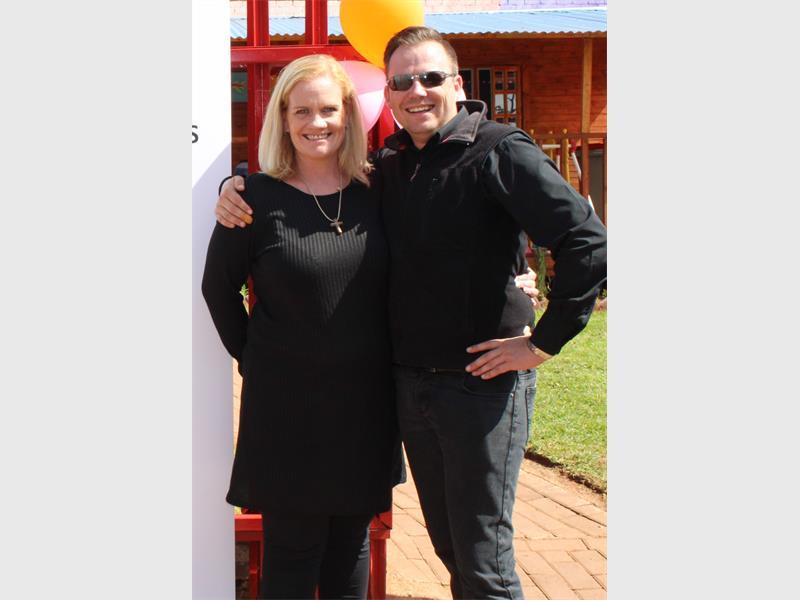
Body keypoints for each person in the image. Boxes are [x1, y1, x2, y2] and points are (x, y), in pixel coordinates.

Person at [215, 27, 607, 599]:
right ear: (389, 94)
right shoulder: (390, 167)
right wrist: (235, 184)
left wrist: (542, 341)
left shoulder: (499, 150)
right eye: (402, 80)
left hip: (477, 387)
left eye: (430, 77)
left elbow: (586, 242)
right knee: (450, 546)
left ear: (457, 83)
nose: (416, 90)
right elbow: (277, 221)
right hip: (405, 390)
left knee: (482, 559)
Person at [201, 54, 400, 599]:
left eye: (329, 109)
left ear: (348, 116)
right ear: (284, 119)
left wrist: (515, 277)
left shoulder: (378, 191)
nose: (317, 122)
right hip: (286, 408)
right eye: (302, 111)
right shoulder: (252, 197)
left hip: (366, 404)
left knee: (351, 548)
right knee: (292, 553)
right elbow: (218, 289)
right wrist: (257, 358)